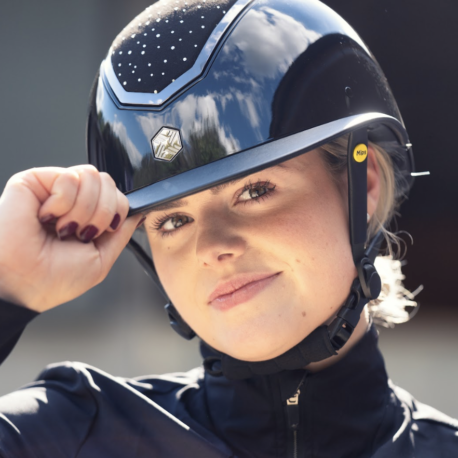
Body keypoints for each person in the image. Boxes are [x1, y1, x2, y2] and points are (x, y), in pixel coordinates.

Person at [0, 0, 457, 456]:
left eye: (255, 191)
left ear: (365, 184)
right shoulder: (61, 437)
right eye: (173, 219)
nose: (213, 247)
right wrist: (8, 287)